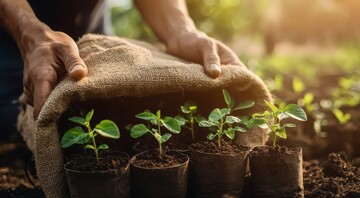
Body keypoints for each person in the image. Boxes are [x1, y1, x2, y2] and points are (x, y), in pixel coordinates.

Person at [0, 0, 243, 138]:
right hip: (12, 39)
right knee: (14, 119)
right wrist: (28, 33)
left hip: (89, 33)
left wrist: (181, 30)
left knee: (107, 114)